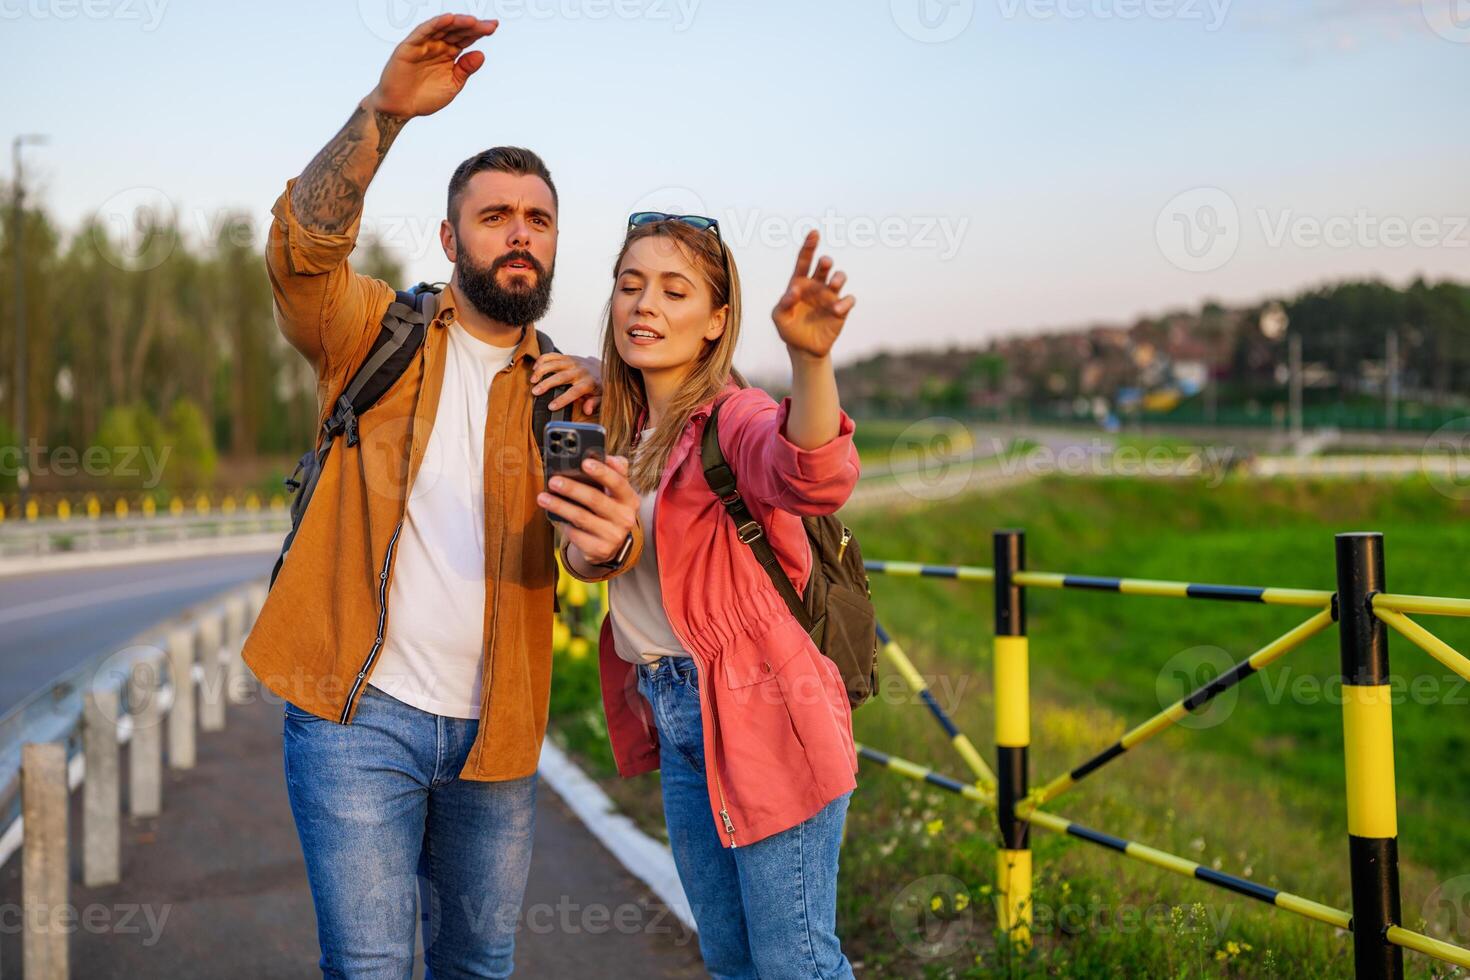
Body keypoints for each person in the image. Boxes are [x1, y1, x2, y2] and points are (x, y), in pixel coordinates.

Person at [240, 15, 643, 977]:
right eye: (496, 215)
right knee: (371, 967)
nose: (519, 235)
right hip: (355, 717)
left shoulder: (576, 392)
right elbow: (300, 252)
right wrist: (383, 114)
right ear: (450, 234)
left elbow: (604, 549)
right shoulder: (371, 332)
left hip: (497, 734)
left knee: (479, 968)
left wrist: (611, 545)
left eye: (537, 220)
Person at [543, 216, 862, 979]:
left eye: (673, 290)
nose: (644, 304)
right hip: (677, 713)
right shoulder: (619, 428)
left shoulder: (736, 418)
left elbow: (812, 475)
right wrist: (592, 549)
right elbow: (586, 554)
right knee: (729, 961)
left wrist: (810, 361)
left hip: (767, 714)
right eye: (630, 285)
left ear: (716, 321)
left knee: (797, 966)